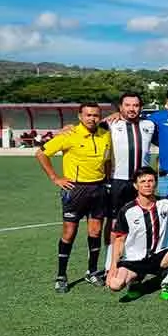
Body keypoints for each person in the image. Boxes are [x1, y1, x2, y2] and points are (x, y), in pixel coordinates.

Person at [36, 102, 111, 293]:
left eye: (96, 115)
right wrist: (55, 178)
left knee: (95, 232)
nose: (92, 118)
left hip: (99, 188)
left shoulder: (105, 134)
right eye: (88, 115)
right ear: (80, 116)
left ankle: (92, 271)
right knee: (69, 233)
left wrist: (107, 180)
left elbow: (108, 159)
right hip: (75, 189)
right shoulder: (69, 134)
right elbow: (41, 154)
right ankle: (61, 275)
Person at [106, 166, 168, 300]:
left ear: (156, 183)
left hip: (160, 255)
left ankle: (166, 281)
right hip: (135, 259)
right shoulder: (127, 210)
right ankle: (136, 281)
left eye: (150, 181)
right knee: (114, 284)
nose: (147, 184)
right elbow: (119, 239)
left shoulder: (166, 203)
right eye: (143, 181)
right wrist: (112, 266)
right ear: (135, 185)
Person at [103, 92, 155, 268]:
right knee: (113, 222)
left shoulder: (149, 125)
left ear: (141, 107)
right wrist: (67, 128)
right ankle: (110, 264)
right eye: (128, 105)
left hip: (142, 182)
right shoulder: (111, 124)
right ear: (120, 107)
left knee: (142, 220)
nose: (132, 108)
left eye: (136, 105)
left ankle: (138, 261)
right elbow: (88, 127)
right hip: (118, 181)